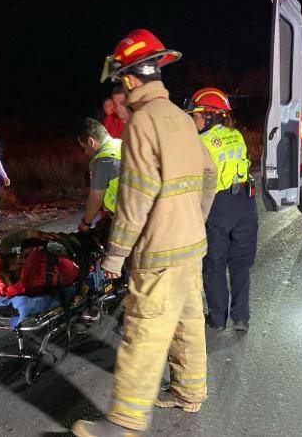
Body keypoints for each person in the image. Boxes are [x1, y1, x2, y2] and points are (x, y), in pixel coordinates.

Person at [71, 29, 217, 437]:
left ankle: (124, 424)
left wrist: (115, 255)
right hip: (190, 246)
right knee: (187, 321)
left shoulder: (142, 123)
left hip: (159, 251)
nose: (121, 89)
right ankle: (190, 392)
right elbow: (210, 174)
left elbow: (136, 197)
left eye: (120, 81)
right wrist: (195, 218)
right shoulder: (182, 120)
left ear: (131, 79)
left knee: (143, 331)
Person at [186, 87, 258, 332]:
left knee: (214, 265)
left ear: (209, 115)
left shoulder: (199, 142)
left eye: (195, 115)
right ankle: (241, 318)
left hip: (217, 206)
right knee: (240, 264)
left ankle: (217, 319)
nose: (193, 120)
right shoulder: (235, 135)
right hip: (245, 204)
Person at [76, 117, 122, 233]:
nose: (85, 153)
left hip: (128, 218)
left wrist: (85, 223)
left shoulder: (103, 160)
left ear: (91, 142)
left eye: (84, 148)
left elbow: (96, 199)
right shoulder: (120, 145)